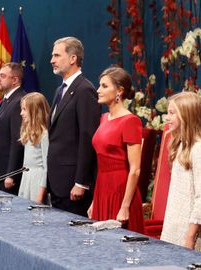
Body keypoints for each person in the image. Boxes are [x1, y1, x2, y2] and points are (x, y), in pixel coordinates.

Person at [47, 37, 101, 216]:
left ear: (73, 58)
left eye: (56, 55)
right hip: (57, 182)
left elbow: (88, 138)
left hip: (72, 185)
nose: (52, 60)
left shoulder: (84, 90)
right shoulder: (60, 90)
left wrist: (81, 182)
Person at [87, 67, 144, 233]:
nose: (98, 90)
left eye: (104, 86)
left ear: (119, 91)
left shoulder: (131, 121)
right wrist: (94, 201)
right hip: (102, 189)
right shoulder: (104, 118)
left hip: (121, 191)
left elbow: (135, 169)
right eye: (99, 86)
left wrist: (125, 206)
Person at [160, 91, 201, 251]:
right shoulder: (182, 145)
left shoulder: (200, 149)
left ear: (187, 116)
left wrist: (190, 238)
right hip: (175, 224)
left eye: (172, 113)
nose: (167, 118)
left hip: (190, 232)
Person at [0, 62, 26, 195]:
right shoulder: (4, 100)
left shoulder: (19, 101)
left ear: (15, 80)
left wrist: (11, 174)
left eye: (2, 76)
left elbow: (17, 141)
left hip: (8, 177)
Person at [18, 92, 50, 204]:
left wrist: (40, 194)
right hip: (27, 178)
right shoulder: (28, 131)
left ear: (35, 110)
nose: (21, 113)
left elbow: (46, 167)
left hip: (37, 181)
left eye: (24, 109)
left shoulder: (44, 133)